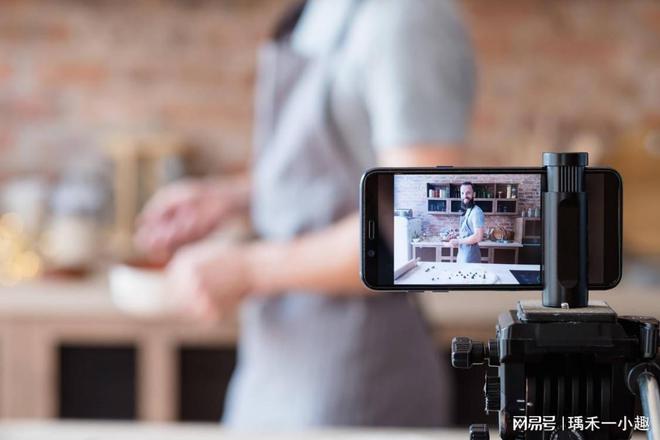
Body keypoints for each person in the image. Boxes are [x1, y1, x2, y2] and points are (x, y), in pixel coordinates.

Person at [136, 0, 476, 429]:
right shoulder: (322, 12)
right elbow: (334, 175)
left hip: (354, 384)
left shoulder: (407, 19)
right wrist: (232, 196)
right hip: (275, 372)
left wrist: (247, 268)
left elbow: (423, 232)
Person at [449, 182, 484, 263]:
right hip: (462, 254)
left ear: (473, 194)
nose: (465, 196)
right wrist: (458, 235)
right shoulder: (468, 210)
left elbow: (478, 236)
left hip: (470, 257)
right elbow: (468, 233)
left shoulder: (476, 212)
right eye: (462, 193)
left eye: (468, 193)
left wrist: (458, 241)